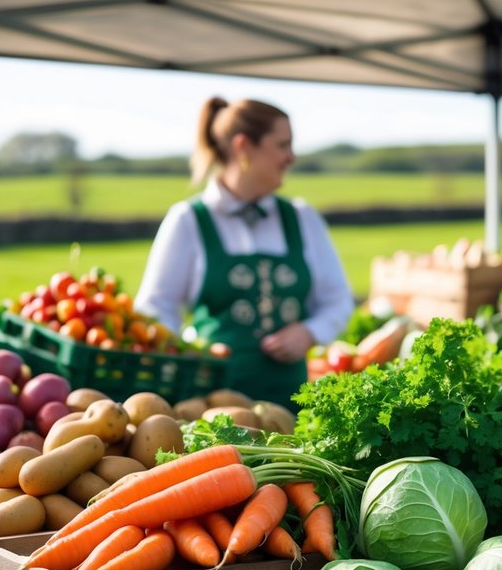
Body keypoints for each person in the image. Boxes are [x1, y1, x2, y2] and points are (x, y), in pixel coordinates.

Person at [135, 97, 354, 406]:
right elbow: (155, 310)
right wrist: (187, 352)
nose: (291, 157)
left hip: (291, 404)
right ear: (244, 147)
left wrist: (309, 332)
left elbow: (337, 300)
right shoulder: (188, 220)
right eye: (282, 145)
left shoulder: (302, 217)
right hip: (208, 409)